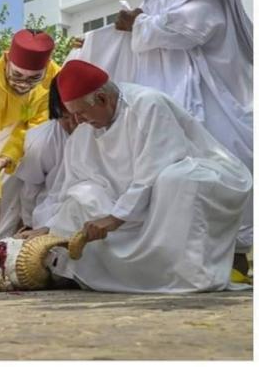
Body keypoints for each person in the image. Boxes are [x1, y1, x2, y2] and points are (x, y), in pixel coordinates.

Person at [44, 60, 251, 293]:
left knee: (177, 180)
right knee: (81, 198)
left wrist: (115, 217)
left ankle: (189, 276)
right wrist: (49, 225)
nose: (78, 121)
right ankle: (107, 275)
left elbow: (156, 167)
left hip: (196, 178)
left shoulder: (147, 104)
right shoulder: (85, 130)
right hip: (130, 200)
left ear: (102, 99)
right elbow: (75, 181)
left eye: (80, 113)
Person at [114, 0, 253, 269]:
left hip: (216, 103)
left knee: (225, 174)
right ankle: (193, 262)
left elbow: (189, 30)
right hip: (176, 108)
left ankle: (234, 261)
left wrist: (139, 25)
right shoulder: (152, 4)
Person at [0, 29, 60, 231]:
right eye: (17, 75)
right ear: (7, 60)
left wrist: (8, 156)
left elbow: (37, 127)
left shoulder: (54, 79)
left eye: (33, 79)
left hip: (20, 143)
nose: (23, 84)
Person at [12, 81, 78, 240]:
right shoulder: (41, 140)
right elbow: (30, 189)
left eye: (77, 115)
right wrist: (28, 223)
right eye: (65, 117)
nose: (73, 124)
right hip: (50, 212)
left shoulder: (97, 129)